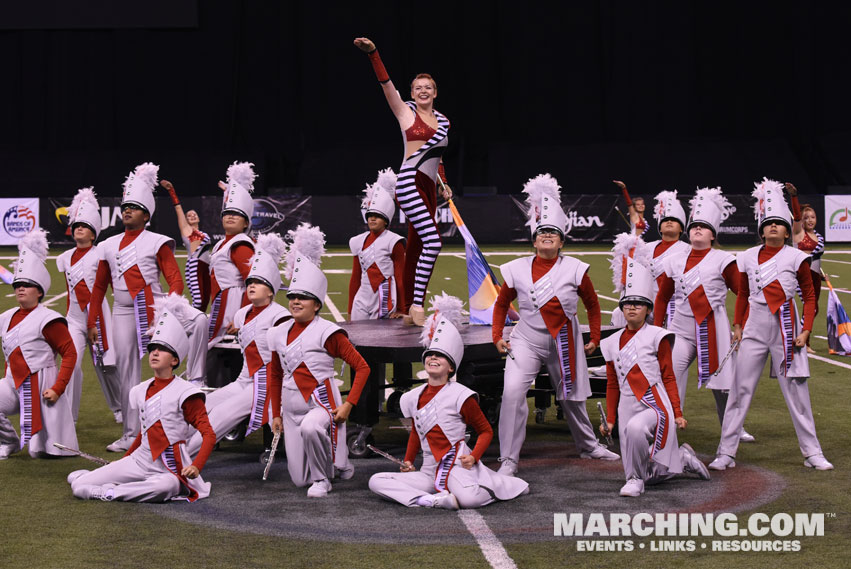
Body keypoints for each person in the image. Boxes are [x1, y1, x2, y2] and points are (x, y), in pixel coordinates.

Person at [492, 174, 618, 477]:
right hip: (526, 340)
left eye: (553, 233)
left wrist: (595, 337)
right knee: (511, 393)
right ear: (534, 240)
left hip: (566, 339)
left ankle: (589, 447)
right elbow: (501, 303)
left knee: (572, 396)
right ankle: (509, 458)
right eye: (542, 232)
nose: (547, 235)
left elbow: (592, 304)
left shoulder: (576, 268)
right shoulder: (516, 268)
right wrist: (497, 334)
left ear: (562, 240)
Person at [710, 178, 833, 471]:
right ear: (761, 229)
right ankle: (726, 452)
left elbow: (811, 296)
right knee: (740, 390)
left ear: (787, 230)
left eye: (779, 224)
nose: (774, 227)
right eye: (769, 224)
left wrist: (805, 330)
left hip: (787, 327)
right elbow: (741, 294)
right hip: (754, 326)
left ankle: (812, 452)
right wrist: (738, 325)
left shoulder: (797, 256)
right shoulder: (747, 256)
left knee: (797, 390)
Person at [369, 294, 529, 509]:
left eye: (440, 356)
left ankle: (494, 486)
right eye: (430, 354)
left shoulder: (461, 395)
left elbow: (485, 431)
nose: (433, 358)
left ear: (451, 367)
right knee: (376, 480)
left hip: (456, 467)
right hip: (428, 470)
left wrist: (473, 457)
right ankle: (429, 500)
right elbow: (417, 432)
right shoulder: (412, 397)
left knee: (470, 499)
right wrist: (408, 461)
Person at [68, 296, 216, 501]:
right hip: (140, 460)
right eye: (152, 349)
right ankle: (100, 480)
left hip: (169, 467)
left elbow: (208, 434)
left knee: (168, 486)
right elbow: (145, 433)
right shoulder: (140, 390)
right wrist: (124, 460)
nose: (154, 353)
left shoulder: (186, 392)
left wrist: (196, 466)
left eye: (162, 350)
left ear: (174, 360)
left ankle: (108, 492)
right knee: (78, 485)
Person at [267, 224, 371, 497]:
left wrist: (349, 404)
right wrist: (275, 413)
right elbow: (275, 374)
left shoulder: (328, 332)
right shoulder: (277, 332)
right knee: (299, 480)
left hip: (320, 403)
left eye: (303, 297)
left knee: (313, 429)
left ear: (316, 304)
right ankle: (339, 464)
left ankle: (323, 479)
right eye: (292, 297)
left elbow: (362, 367)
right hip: (290, 410)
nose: (296, 301)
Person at [87, 163, 184, 452]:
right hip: (123, 312)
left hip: (154, 310)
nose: (127, 210)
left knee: (165, 367)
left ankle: (168, 423)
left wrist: (168, 310)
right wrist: (92, 321)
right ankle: (131, 433)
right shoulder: (108, 244)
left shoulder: (157, 242)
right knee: (126, 369)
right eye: (125, 206)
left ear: (147, 214)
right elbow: (99, 286)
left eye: (134, 207)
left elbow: (175, 279)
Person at [354, 37, 452, 325]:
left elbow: (438, 158)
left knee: (419, 245)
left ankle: (406, 304)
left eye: (428, 87)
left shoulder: (445, 121)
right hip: (409, 181)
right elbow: (386, 84)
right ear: (411, 92)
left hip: (429, 187)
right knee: (433, 242)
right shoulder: (405, 112)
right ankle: (416, 306)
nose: (423, 91)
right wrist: (374, 54)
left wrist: (443, 182)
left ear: (435, 92)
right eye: (417, 87)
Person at [600, 257, 710, 497]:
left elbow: (669, 377)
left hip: (654, 403)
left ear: (648, 309)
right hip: (626, 405)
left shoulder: (658, 336)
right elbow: (612, 383)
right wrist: (610, 419)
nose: (632, 307)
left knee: (637, 429)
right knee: (644, 469)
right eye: (627, 303)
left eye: (638, 304)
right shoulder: (609, 343)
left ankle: (636, 481)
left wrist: (678, 413)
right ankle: (681, 459)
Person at [653, 187, 753, 440]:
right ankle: (668, 424)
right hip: (681, 330)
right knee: (669, 376)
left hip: (715, 328)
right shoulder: (675, 260)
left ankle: (733, 428)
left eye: (703, 226)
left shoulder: (723, 259)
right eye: (694, 225)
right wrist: (656, 329)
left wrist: (741, 324)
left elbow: (743, 293)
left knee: (723, 386)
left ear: (712, 234)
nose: (697, 229)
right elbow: (663, 297)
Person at [186, 233, 290, 456]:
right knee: (200, 406)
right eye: (250, 281)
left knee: (219, 416)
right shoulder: (242, 314)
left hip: (265, 385)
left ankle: (182, 459)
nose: (252, 285)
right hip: (244, 380)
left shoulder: (280, 316)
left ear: (271, 290)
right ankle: (166, 449)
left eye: (259, 282)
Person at [0, 228, 78, 459]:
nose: (20, 288)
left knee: (43, 451)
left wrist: (57, 388)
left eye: (27, 284)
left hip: (42, 384)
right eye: (18, 285)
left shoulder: (49, 319)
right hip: (13, 383)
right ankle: (9, 441)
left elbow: (70, 354)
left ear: (40, 291)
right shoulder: (7, 316)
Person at [56, 187, 121, 423]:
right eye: (76, 226)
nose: (79, 229)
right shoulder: (63, 258)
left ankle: (120, 408)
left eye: (84, 226)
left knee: (107, 366)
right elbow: (69, 292)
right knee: (70, 364)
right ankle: (69, 417)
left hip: (99, 315)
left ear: (94, 234)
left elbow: (110, 285)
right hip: (74, 318)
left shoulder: (101, 254)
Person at [208, 162, 256, 345]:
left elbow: (253, 283)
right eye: (227, 212)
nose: (230, 216)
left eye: (236, 213)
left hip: (233, 305)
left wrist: (243, 316)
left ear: (246, 223)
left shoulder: (241, 244)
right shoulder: (221, 243)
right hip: (222, 302)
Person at [348, 168, 406, 320]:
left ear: (386, 220)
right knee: (357, 336)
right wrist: (349, 309)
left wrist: (401, 308)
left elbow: (400, 277)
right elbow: (355, 277)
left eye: (377, 217)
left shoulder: (394, 241)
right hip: (362, 297)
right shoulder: (357, 241)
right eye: (370, 216)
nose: (372, 219)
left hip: (383, 296)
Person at [160, 179, 212, 312]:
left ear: (199, 218)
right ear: (186, 220)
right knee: (198, 301)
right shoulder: (187, 231)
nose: (192, 216)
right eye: (189, 216)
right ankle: (188, 323)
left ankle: (199, 327)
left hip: (206, 267)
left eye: (194, 214)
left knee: (206, 300)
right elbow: (178, 209)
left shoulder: (203, 233)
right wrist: (172, 191)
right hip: (195, 266)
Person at [788, 184, 825, 354]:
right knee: (811, 307)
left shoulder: (818, 236)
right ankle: (803, 339)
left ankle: (802, 338)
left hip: (816, 276)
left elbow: (816, 258)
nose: (810, 220)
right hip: (802, 275)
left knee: (813, 308)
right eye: (806, 217)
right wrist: (794, 197)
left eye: (813, 217)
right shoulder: (798, 233)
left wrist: (822, 273)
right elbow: (795, 216)